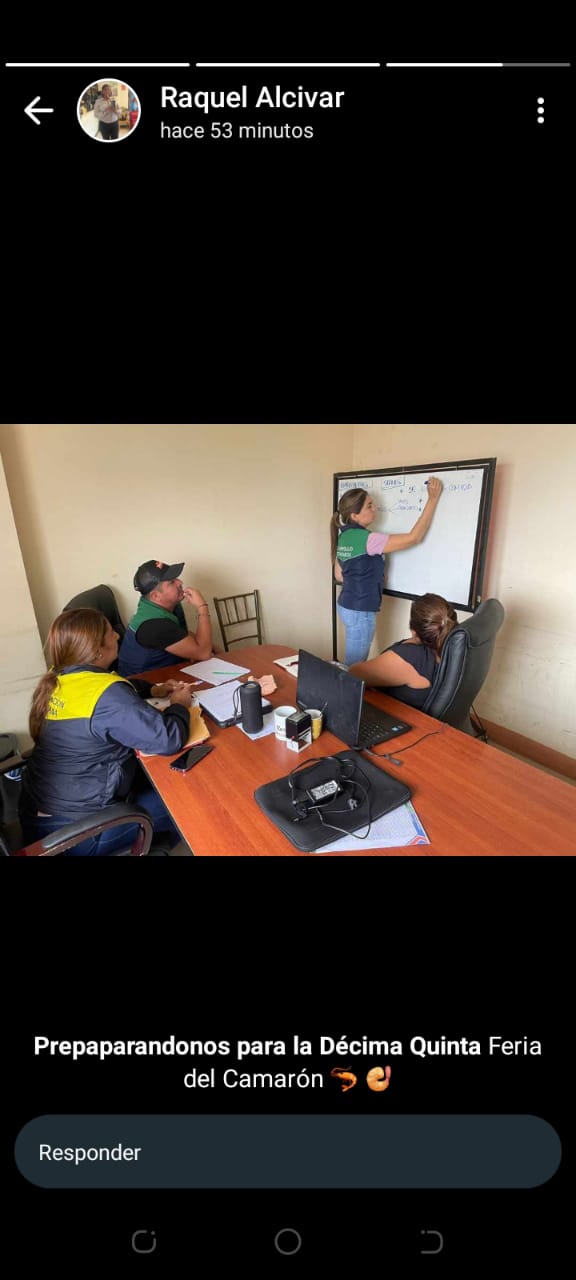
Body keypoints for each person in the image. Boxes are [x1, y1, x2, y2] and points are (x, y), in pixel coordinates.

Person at [20, 609, 195, 855]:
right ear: (97, 650)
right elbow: (168, 739)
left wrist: (151, 690)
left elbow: (114, 690)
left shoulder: (58, 677)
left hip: (38, 816)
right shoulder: (106, 695)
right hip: (79, 834)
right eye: (110, 632)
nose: (117, 635)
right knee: (188, 797)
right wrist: (179, 705)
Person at [331, 477, 443, 665]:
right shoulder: (367, 539)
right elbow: (414, 538)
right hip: (360, 610)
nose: (375, 508)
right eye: (369, 506)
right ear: (354, 516)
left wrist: (368, 572)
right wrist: (432, 499)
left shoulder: (345, 536)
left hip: (346, 605)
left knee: (354, 661)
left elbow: (339, 575)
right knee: (355, 667)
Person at [348, 593, 458, 708]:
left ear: (414, 630)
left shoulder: (411, 656)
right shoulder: (455, 648)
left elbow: (353, 674)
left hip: (396, 714)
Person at [118, 560, 213, 678]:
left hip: (167, 673)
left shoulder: (154, 607)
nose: (180, 582)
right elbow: (203, 653)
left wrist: (214, 648)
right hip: (145, 684)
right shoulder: (154, 625)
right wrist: (202, 607)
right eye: (172, 582)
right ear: (156, 596)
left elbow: (180, 635)